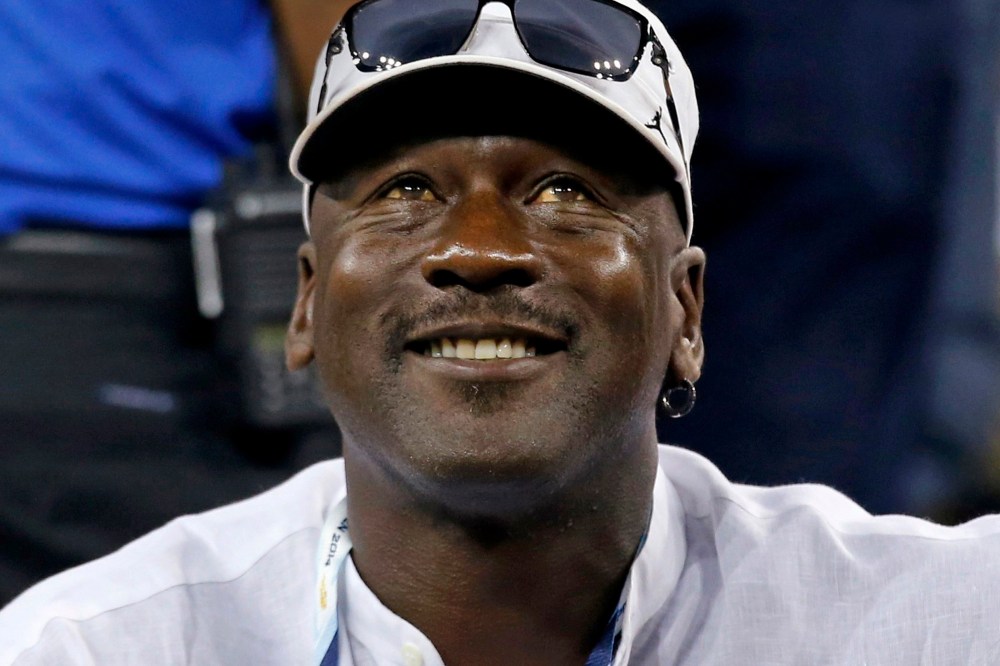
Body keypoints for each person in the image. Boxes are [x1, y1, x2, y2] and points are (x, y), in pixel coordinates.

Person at [3, 1, 1000, 664]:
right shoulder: (105, 644)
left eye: (566, 192)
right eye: (405, 191)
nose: (479, 249)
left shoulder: (925, 619)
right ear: (304, 305)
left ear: (687, 313)